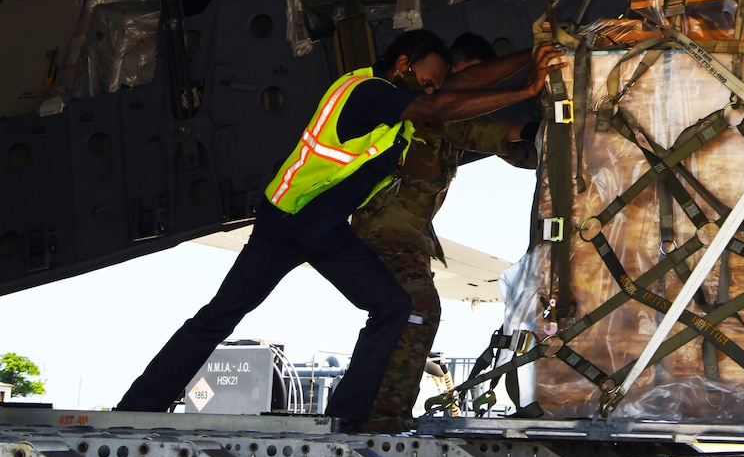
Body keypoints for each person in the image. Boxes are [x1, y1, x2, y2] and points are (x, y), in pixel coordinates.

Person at [116, 30, 561, 431]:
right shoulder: (366, 91)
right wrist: (527, 86)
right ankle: (137, 406)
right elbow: (441, 101)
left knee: (393, 306)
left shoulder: (401, 105)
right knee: (220, 317)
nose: (432, 89)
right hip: (287, 221)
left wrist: (532, 53)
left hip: (326, 229)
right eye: (426, 80)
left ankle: (346, 418)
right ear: (404, 64)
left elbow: (458, 87)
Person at [353, 33, 540, 434]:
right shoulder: (425, 106)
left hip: (407, 235)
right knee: (418, 309)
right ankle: (382, 417)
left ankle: (360, 409)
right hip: (383, 228)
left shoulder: (452, 118)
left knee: (398, 315)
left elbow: (512, 146)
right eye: (470, 79)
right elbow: (493, 135)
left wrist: (555, 136)